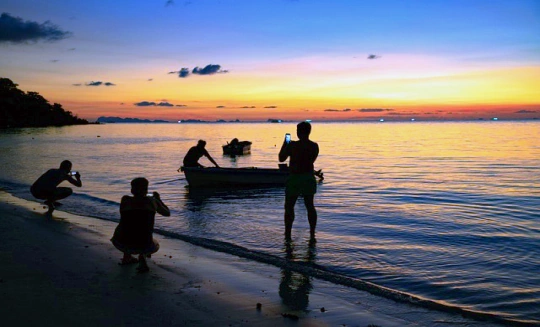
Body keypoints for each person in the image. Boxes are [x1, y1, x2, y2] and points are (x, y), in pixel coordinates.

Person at [111, 177, 170, 273]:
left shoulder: (125, 200)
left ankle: (127, 257)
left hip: (122, 242)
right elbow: (167, 213)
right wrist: (158, 200)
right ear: (146, 190)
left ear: (131, 190)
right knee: (146, 234)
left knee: (128, 225)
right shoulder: (152, 202)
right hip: (145, 244)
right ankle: (142, 256)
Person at [279, 121, 319, 238]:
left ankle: (288, 233)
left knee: (289, 206)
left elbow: (281, 158)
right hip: (308, 177)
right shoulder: (314, 146)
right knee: (310, 206)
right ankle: (312, 234)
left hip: (295, 178)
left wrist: (285, 144)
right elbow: (310, 160)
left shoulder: (292, 145)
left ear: (298, 132)